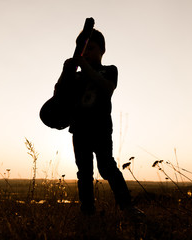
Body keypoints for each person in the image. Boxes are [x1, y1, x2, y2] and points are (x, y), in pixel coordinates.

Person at [54, 29, 133, 215]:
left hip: (101, 128)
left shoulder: (109, 70)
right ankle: (87, 211)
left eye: (91, 48)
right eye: (83, 49)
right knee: (84, 172)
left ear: (102, 50)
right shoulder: (77, 77)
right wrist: (65, 73)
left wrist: (84, 66)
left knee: (106, 167)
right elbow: (59, 95)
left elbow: (107, 88)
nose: (86, 53)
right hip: (79, 129)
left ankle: (127, 206)